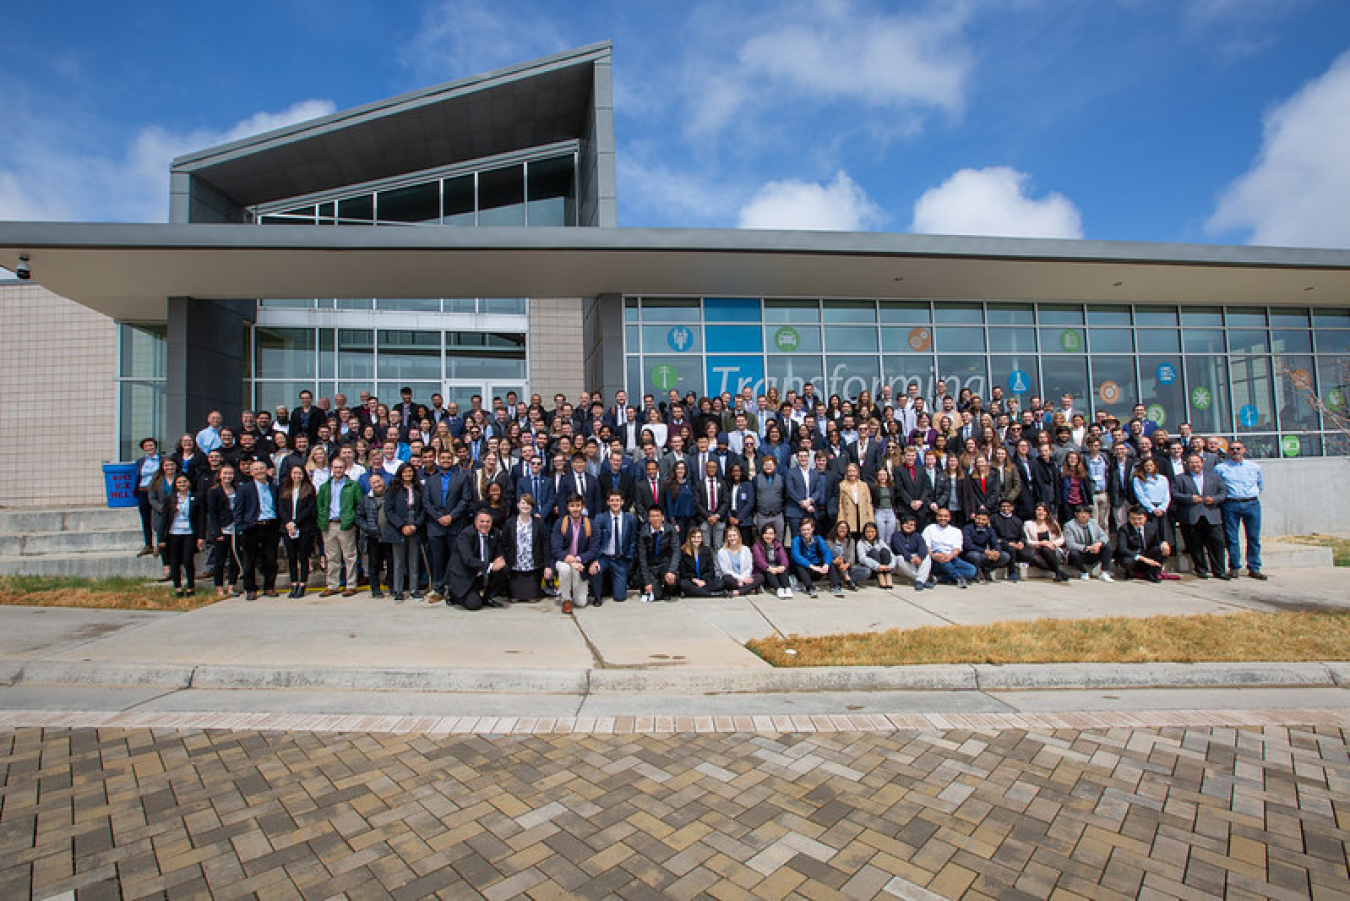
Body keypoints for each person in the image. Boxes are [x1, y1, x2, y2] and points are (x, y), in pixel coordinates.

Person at [1172, 453, 1230, 580]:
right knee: (1195, 545)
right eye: (1192, 463)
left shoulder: (1214, 477)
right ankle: (1200, 569)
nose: (1195, 465)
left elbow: (1223, 492)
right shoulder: (1180, 478)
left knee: (1216, 545)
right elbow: (1174, 494)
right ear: (1187, 465)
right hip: (1191, 517)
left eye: (1197, 462)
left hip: (1211, 515)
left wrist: (1214, 499)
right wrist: (1190, 498)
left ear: (1202, 463)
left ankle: (1219, 570)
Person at [424, 448, 470, 602]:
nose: (445, 461)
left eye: (448, 458)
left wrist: (451, 516)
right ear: (438, 460)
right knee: (437, 559)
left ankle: (453, 589)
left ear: (453, 460)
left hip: (455, 524)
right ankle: (438, 588)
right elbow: (427, 502)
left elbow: (465, 499)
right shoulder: (431, 480)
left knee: (454, 559)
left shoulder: (462, 477)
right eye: (442, 458)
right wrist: (439, 517)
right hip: (435, 526)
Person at [1216, 440, 1266, 580]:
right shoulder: (1221, 468)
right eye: (1232, 449)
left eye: (1238, 448)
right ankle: (1234, 567)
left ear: (1244, 450)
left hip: (1251, 503)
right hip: (1231, 504)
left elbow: (1260, 485)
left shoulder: (1254, 467)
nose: (1235, 451)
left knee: (1253, 537)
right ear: (1228, 451)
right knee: (1232, 538)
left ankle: (1254, 567)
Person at [233, 459, 280, 601]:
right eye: (257, 469)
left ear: (267, 470)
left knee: (270, 559)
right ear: (251, 472)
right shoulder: (244, 489)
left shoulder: (274, 488)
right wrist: (241, 527)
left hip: (270, 526)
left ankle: (269, 587)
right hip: (251, 527)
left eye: (262, 469)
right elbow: (238, 510)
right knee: (249, 560)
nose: (260, 472)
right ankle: (250, 588)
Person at [316, 457, 361, 598]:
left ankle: (351, 585)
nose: (338, 470)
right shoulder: (325, 487)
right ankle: (332, 585)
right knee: (332, 557)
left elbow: (359, 505)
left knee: (349, 556)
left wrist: (351, 519)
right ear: (331, 469)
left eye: (340, 467)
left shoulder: (353, 486)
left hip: (345, 524)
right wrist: (322, 520)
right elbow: (321, 505)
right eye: (335, 467)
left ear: (345, 468)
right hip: (329, 524)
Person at [448, 510, 508, 610]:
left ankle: (488, 597)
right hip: (466, 575)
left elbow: (499, 551)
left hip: (481, 573)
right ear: (475, 522)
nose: (485, 524)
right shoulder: (466, 535)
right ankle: (454, 595)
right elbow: (468, 560)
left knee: (504, 568)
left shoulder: (495, 533)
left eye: (488, 522)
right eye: (482, 521)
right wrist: (491, 566)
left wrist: (500, 559)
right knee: (474, 605)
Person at [384, 462, 425, 602]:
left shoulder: (419, 489)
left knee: (414, 561)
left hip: (415, 529)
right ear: (400, 473)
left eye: (410, 471)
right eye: (405, 472)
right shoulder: (393, 489)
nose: (408, 474)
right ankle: (399, 591)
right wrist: (401, 526)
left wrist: (416, 525)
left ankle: (414, 590)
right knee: (399, 562)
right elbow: (388, 511)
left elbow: (424, 509)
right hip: (398, 530)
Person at [552, 494, 598, 612]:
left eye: (578, 505)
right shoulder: (560, 523)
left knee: (581, 603)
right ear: (568, 507)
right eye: (572, 506)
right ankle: (566, 599)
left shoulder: (590, 524)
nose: (575, 509)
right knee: (565, 569)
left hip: (580, 563)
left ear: (582, 507)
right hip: (564, 561)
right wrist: (571, 562)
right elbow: (556, 549)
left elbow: (593, 550)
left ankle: (572, 589)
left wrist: (578, 559)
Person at [160, 474, 204, 597]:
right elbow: (164, 520)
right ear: (176, 485)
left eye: (184, 482)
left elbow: (201, 518)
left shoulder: (196, 498)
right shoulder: (170, 499)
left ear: (189, 483)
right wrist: (162, 538)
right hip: (174, 533)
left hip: (189, 533)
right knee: (174, 562)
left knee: (188, 560)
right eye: (179, 483)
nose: (182, 485)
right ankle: (178, 587)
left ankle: (190, 586)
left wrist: (200, 536)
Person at [590, 490, 637, 604]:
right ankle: (597, 596)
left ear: (622, 502)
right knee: (595, 570)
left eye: (617, 500)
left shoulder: (630, 519)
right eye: (612, 500)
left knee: (620, 597)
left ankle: (616, 586)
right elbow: (596, 541)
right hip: (604, 557)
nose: (615, 503)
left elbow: (633, 541)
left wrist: (628, 560)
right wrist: (595, 560)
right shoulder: (600, 518)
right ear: (607, 502)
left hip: (620, 558)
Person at [279, 464, 318, 598]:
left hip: (304, 527)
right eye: (294, 473)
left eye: (299, 473)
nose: (297, 476)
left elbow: (309, 508)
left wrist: (295, 522)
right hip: (288, 528)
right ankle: (293, 583)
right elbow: (281, 508)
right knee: (291, 557)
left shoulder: (309, 489)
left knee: (303, 557)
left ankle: (302, 583)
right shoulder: (285, 489)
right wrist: (288, 523)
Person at [504, 494, 551, 602]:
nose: (526, 506)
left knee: (533, 599)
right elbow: (503, 543)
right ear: (518, 505)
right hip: (515, 567)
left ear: (532, 506)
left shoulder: (538, 523)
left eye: (528, 503)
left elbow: (545, 544)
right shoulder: (510, 523)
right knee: (514, 599)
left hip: (533, 567)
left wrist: (547, 565)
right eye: (523, 503)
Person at [205, 463, 241, 598]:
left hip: (235, 529)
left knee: (235, 559)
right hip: (222, 530)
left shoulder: (237, 489)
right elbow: (212, 514)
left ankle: (231, 586)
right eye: (225, 474)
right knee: (219, 561)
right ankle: (219, 588)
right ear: (219, 475)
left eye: (230, 474)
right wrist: (217, 531)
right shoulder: (214, 491)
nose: (228, 476)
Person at [1114, 506, 1173, 582]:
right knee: (1126, 560)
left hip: (1146, 553)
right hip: (1133, 556)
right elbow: (1122, 548)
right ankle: (1130, 572)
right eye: (1133, 519)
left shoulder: (1151, 527)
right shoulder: (1124, 529)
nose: (1137, 522)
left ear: (1145, 518)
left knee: (1162, 550)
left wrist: (1164, 544)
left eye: (1140, 519)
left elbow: (1157, 541)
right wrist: (1143, 559)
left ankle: (1152, 572)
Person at [922, 508, 976, 588]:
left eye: (945, 516)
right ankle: (958, 577)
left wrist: (949, 557)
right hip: (934, 559)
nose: (943, 518)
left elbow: (957, 549)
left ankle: (939, 578)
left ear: (950, 518)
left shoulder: (956, 531)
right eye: (940, 516)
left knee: (971, 570)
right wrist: (933, 555)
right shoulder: (929, 529)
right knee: (939, 553)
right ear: (936, 517)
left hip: (951, 557)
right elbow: (926, 546)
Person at [356, 472, 390, 599]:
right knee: (374, 563)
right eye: (374, 483)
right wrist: (367, 528)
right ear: (370, 485)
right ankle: (375, 589)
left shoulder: (390, 496)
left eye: (379, 481)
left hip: (388, 535)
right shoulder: (366, 499)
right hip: (373, 536)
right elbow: (359, 517)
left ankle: (392, 587)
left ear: (383, 481)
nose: (377, 484)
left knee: (390, 563)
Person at [790, 518, 841, 598]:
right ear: (800, 529)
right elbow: (796, 556)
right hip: (806, 569)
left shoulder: (818, 539)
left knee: (829, 562)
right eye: (803, 530)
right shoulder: (796, 540)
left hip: (817, 567)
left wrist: (826, 564)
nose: (806, 532)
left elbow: (827, 552)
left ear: (812, 529)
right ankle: (810, 588)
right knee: (799, 565)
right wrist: (811, 566)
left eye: (808, 529)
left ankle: (836, 586)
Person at [638, 506, 680, 603]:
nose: (655, 519)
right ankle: (649, 587)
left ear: (663, 517)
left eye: (657, 516)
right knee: (657, 595)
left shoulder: (670, 530)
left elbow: (676, 551)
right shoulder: (644, 532)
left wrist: (672, 571)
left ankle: (668, 590)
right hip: (651, 566)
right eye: (652, 516)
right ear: (648, 519)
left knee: (673, 580)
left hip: (665, 564)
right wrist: (647, 582)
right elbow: (642, 558)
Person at [1022, 502, 1071, 582]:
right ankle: (1059, 572)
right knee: (1036, 557)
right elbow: (1027, 541)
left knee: (1045, 549)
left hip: (1052, 550)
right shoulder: (1028, 524)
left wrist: (1052, 543)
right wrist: (1040, 543)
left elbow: (1061, 539)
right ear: (1035, 511)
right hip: (1037, 551)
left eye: (1043, 511)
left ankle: (1058, 573)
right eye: (1038, 510)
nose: (1041, 512)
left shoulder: (1053, 523)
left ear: (1047, 512)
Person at [1063, 506, 1113, 581]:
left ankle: (1104, 572)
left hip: (1093, 551)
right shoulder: (1069, 526)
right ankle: (1084, 572)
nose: (1084, 515)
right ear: (1076, 514)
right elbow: (1070, 544)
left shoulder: (1093, 522)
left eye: (1086, 513)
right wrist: (1087, 548)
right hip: (1081, 552)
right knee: (1073, 553)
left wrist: (1098, 544)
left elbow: (1104, 536)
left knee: (1107, 546)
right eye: (1081, 513)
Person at [961, 509, 1009, 584]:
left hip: (984, 554)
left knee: (1005, 556)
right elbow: (968, 545)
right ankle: (976, 574)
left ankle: (986, 570)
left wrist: (997, 552)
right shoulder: (967, 528)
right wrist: (985, 551)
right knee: (974, 555)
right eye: (978, 519)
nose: (980, 521)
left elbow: (995, 543)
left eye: (983, 520)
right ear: (974, 518)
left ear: (987, 521)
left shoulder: (990, 530)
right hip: (970, 553)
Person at [133, 437, 161, 557]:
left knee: (158, 518)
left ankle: (160, 544)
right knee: (145, 518)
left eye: (151, 445)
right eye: (146, 446)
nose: (149, 448)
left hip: (157, 491)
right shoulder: (140, 461)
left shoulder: (162, 459)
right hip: (143, 490)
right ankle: (148, 544)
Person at [889, 514, 933, 590]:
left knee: (927, 556)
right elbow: (900, 549)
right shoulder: (896, 535)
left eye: (912, 525)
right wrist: (910, 558)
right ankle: (922, 580)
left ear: (915, 527)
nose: (909, 526)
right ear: (902, 524)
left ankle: (920, 581)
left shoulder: (917, 536)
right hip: (901, 562)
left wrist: (920, 557)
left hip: (915, 561)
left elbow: (923, 548)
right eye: (906, 523)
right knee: (900, 558)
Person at [718, 528, 762, 597]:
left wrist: (744, 579)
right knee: (726, 578)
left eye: (734, 535)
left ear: (738, 537)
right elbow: (726, 570)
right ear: (727, 538)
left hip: (745, 577)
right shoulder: (722, 552)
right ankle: (749, 589)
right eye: (730, 536)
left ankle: (738, 591)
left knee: (760, 577)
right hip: (733, 580)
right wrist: (741, 579)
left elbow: (749, 567)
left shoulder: (746, 549)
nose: (732, 538)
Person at [753, 523, 793, 599]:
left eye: (771, 534)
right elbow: (759, 561)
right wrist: (770, 568)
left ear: (774, 535)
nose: (768, 536)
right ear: (762, 534)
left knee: (783, 569)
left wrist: (783, 566)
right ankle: (778, 589)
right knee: (769, 571)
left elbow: (784, 558)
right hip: (763, 570)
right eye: (766, 533)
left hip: (776, 567)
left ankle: (787, 588)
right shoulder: (757, 545)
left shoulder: (778, 544)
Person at [990, 498, 1026, 582]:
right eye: (1003, 506)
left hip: (1015, 543)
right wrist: (1008, 543)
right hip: (1001, 543)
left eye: (1008, 506)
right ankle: (1012, 573)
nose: (1005, 508)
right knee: (1011, 550)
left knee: (1028, 554)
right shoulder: (994, 518)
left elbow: (1022, 535)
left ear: (1012, 508)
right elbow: (994, 536)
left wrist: (1021, 542)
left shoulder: (1017, 520)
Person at [826, 520, 867, 591]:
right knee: (835, 551)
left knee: (866, 571)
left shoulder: (851, 541)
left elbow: (851, 557)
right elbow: (826, 557)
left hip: (846, 567)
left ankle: (842, 580)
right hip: (834, 567)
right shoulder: (829, 541)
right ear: (836, 529)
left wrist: (846, 565)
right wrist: (833, 561)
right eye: (840, 528)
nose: (842, 530)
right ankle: (847, 579)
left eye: (844, 528)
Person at [677, 528, 720, 597]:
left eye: (699, 537)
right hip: (691, 581)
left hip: (704, 582)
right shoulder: (683, 552)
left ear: (702, 538)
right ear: (690, 538)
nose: (696, 540)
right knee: (683, 584)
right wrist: (695, 580)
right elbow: (683, 573)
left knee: (720, 583)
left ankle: (695, 592)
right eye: (694, 537)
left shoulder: (707, 550)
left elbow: (711, 570)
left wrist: (704, 580)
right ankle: (710, 594)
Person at [836, 463, 874, 538]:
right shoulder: (842, 485)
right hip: (849, 515)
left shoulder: (864, 485)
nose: (852, 473)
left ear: (857, 472)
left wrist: (871, 519)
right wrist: (841, 520)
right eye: (849, 471)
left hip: (862, 514)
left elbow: (868, 503)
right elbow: (840, 504)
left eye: (854, 471)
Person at [855, 521, 894, 589]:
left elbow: (891, 554)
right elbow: (862, 558)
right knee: (874, 552)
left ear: (876, 532)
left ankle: (888, 574)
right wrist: (877, 566)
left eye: (872, 532)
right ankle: (880, 575)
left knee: (885, 551)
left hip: (884, 567)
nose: (870, 534)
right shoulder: (861, 543)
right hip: (872, 568)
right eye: (867, 532)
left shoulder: (879, 541)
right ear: (864, 533)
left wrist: (890, 566)